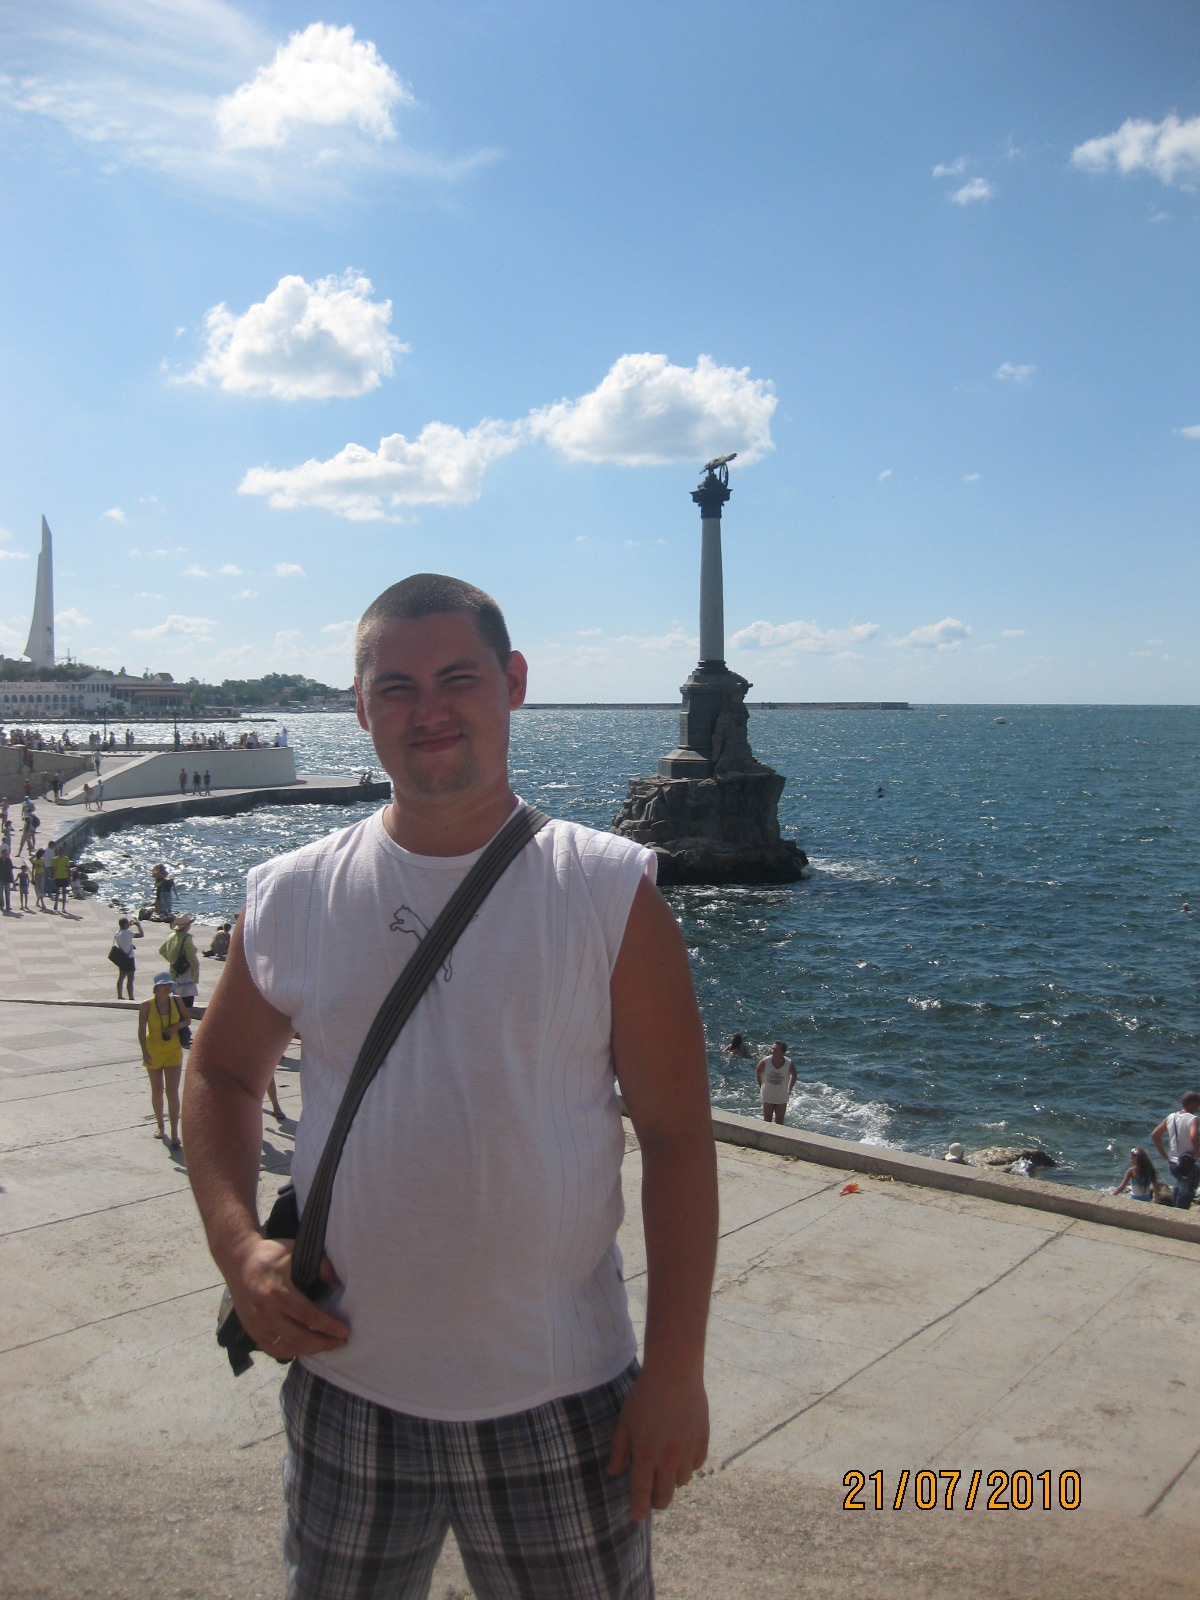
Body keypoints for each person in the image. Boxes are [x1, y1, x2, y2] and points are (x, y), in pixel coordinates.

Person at [184, 572, 718, 1600]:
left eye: (457, 678)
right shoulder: (293, 894)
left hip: (562, 1401)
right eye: (396, 687)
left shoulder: (607, 891)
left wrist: (676, 1371)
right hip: (346, 1390)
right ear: (361, 708)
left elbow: (677, 1136)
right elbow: (221, 1070)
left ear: (513, 682)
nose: (427, 709)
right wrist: (237, 1245)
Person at [138, 972, 184, 1148]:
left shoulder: (177, 1001)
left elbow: (187, 1020)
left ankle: (174, 1133)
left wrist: (176, 1026)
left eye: (169, 985)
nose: (168, 988)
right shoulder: (146, 1006)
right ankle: (160, 1125)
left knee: (172, 1091)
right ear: (156, 988)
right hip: (154, 1052)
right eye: (164, 985)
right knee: (157, 1090)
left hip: (173, 1052)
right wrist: (144, 1052)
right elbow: (141, 1030)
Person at [1152, 1092, 1200, 1209]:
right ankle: (1178, 1216)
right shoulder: (1193, 1119)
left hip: (1173, 1163)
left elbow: (1155, 1135)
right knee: (1186, 1195)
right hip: (1187, 1163)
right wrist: (1197, 1151)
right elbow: (1193, 1136)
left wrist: (1163, 1154)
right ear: (1192, 1104)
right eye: (1198, 1103)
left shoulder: (1171, 1117)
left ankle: (1173, 1211)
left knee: (1179, 1187)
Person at [159, 913, 199, 1046]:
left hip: (175, 975)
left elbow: (162, 950)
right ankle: (184, 1035)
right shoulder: (187, 938)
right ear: (187, 926)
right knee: (186, 1008)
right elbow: (191, 957)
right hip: (186, 977)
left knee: (177, 1005)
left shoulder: (172, 936)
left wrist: (173, 962)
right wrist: (193, 968)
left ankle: (182, 1034)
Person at [756, 1039, 796, 1124]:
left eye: (776, 1050)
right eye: (772, 1049)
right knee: (767, 1121)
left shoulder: (789, 1063)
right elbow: (758, 1072)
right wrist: (761, 1086)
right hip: (768, 1095)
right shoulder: (765, 1061)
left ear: (783, 1052)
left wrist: (789, 1089)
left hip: (781, 1097)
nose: (773, 1051)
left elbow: (794, 1075)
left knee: (779, 1123)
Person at [112, 915, 144, 1001]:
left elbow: (123, 933)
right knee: (130, 979)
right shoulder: (128, 933)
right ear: (126, 925)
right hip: (129, 958)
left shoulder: (117, 934)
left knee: (121, 977)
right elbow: (141, 934)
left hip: (121, 957)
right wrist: (138, 925)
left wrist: (128, 924)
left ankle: (120, 995)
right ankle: (131, 997)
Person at [50, 844, 70, 912]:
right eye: (59, 851)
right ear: (58, 852)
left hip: (64, 877)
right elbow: (53, 869)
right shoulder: (54, 859)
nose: (60, 853)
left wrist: (69, 877)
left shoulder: (66, 858)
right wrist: (52, 877)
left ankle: (63, 907)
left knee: (64, 892)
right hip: (57, 877)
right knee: (57, 892)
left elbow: (68, 868)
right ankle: (56, 903)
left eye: (61, 851)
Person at [0, 845, 14, 913]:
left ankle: (8, 906)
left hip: (7, 878)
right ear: (2, 854)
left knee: (7, 893)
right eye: (4, 854)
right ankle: (1, 905)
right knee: (0, 893)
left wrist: (12, 879)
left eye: (6, 854)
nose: (5, 855)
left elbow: (11, 870)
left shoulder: (9, 860)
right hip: (0, 878)